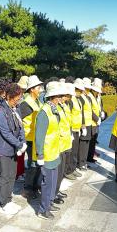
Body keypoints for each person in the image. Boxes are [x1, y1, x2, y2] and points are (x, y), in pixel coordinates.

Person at [0, 83, 26, 215]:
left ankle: (9, 199)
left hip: (13, 148)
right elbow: (5, 133)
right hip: (3, 148)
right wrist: (19, 144)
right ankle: (3, 204)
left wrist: (22, 141)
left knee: (12, 175)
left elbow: (21, 127)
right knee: (5, 176)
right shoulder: (0, 111)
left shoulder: (15, 109)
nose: (18, 101)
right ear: (9, 97)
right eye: (16, 98)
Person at [36, 81, 64, 220]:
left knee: (53, 181)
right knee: (47, 183)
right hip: (47, 153)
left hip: (54, 151)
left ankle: (49, 203)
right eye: (59, 95)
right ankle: (43, 209)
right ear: (52, 96)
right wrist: (40, 154)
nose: (61, 98)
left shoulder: (54, 109)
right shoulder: (44, 112)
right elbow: (39, 135)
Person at [20, 75, 44, 199]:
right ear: (32, 89)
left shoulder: (38, 101)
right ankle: (28, 188)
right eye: (38, 87)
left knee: (37, 163)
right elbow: (19, 121)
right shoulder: (25, 104)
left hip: (36, 137)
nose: (40, 89)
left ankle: (35, 186)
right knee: (32, 164)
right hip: (29, 138)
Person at [55, 82, 74, 202]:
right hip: (59, 143)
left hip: (66, 142)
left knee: (62, 170)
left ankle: (57, 189)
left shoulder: (63, 105)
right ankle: (54, 192)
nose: (66, 98)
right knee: (58, 170)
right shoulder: (56, 107)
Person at [67, 78, 84, 179]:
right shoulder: (71, 100)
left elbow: (79, 113)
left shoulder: (78, 100)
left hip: (77, 128)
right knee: (71, 151)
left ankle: (73, 168)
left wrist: (82, 125)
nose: (81, 92)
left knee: (75, 151)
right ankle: (69, 170)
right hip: (72, 128)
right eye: (79, 90)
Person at [78, 78, 93, 170]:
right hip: (84, 124)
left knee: (87, 143)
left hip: (89, 122)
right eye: (86, 88)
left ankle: (84, 161)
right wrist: (83, 124)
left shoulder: (88, 97)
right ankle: (81, 163)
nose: (88, 90)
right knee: (83, 144)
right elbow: (82, 112)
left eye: (89, 88)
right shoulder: (81, 98)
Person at [87, 79, 103, 164]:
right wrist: (97, 119)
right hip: (92, 122)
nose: (98, 93)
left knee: (93, 141)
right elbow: (90, 110)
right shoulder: (90, 96)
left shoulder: (96, 96)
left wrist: (101, 114)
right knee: (91, 141)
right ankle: (89, 157)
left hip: (96, 122)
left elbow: (98, 107)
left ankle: (91, 156)